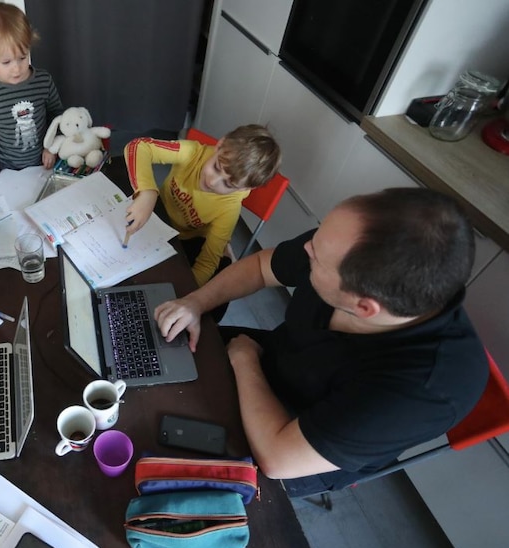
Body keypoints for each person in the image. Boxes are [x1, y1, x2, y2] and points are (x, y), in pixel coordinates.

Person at [153, 188, 489, 496]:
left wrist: (244, 361)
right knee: (149, 351)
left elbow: (277, 458)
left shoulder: (425, 390)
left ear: (364, 307)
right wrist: (196, 302)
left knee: (164, 466)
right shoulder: (349, 246)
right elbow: (260, 266)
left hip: (300, 443)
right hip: (275, 361)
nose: (306, 248)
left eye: (315, 257)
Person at [124, 124, 281, 287]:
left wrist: (183, 294)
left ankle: (226, 250)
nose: (212, 182)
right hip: (156, 215)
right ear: (220, 144)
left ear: (245, 188)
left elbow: (206, 264)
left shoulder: (229, 210)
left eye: (228, 184)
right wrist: (147, 193)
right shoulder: (193, 153)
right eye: (216, 167)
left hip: (183, 240)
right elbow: (138, 146)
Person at [0, 3, 64, 188]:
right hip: (6, 168)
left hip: (44, 162)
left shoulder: (43, 81)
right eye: (6, 62)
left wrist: (51, 147)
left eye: (22, 57)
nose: (16, 68)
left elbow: (57, 116)